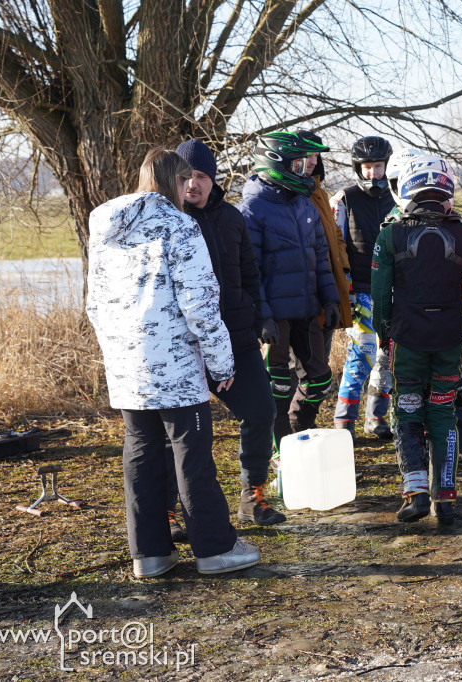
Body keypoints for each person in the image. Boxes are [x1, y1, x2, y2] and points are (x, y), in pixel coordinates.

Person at [86, 147, 260, 577]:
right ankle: (215, 548)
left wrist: (117, 352)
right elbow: (201, 305)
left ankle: (150, 555)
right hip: (176, 365)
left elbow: (94, 304)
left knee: (141, 454)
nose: (191, 190)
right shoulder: (180, 227)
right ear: (177, 182)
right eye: (187, 182)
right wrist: (222, 363)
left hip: (127, 366)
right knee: (191, 454)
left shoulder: (106, 231)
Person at [371, 155, 462, 525]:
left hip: (407, 341)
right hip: (449, 341)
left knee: (407, 411)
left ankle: (415, 493)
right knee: (443, 412)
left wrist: (383, 335)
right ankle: (445, 498)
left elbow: (380, 299)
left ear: (405, 190)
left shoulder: (389, 234)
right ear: (447, 191)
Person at [164, 138, 284, 531]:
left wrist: (261, 316)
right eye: (186, 177)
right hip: (184, 342)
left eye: (201, 177)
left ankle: (253, 495)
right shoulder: (168, 220)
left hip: (236, 332)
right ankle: (169, 508)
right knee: (178, 430)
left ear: (214, 181)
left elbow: (250, 274)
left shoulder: (232, 218)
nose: (193, 185)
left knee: (262, 410)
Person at [238, 132, 341, 451]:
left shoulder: (304, 202)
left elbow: (321, 257)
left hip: (307, 309)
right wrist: (262, 317)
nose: (305, 168)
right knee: (278, 384)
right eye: (297, 163)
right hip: (275, 317)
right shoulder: (252, 209)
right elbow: (248, 272)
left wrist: (331, 298)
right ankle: (280, 450)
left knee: (321, 381)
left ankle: (300, 431)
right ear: (276, 165)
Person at [331, 136, 396, 443]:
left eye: (378, 167)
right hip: (359, 290)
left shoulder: (397, 197)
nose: (373, 173)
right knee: (364, 351)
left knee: (388, 354)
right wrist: (344, 289)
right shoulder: (343, 198)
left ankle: (376, 416)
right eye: (368, 167)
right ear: (359, 167)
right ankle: (343, 421)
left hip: (393, 290)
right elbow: (335, 247)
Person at [300, 131, 354, 363]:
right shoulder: (289, 195)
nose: (313, 161)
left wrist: (343, 275)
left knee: (320, 370)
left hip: (328, 296)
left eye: (316, 155)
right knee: (296, 374)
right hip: (301, 305)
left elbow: (336, 237)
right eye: (306, 155)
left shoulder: (319, 193)